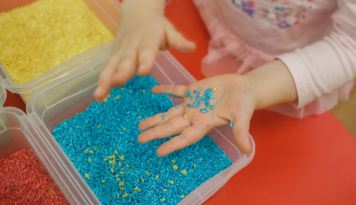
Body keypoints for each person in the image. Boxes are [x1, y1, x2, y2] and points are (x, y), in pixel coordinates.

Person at [93, 0, 356, 156]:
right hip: (212, 16)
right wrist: (142, 11)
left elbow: (350, 44)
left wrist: (254, 85)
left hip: (289, 69)